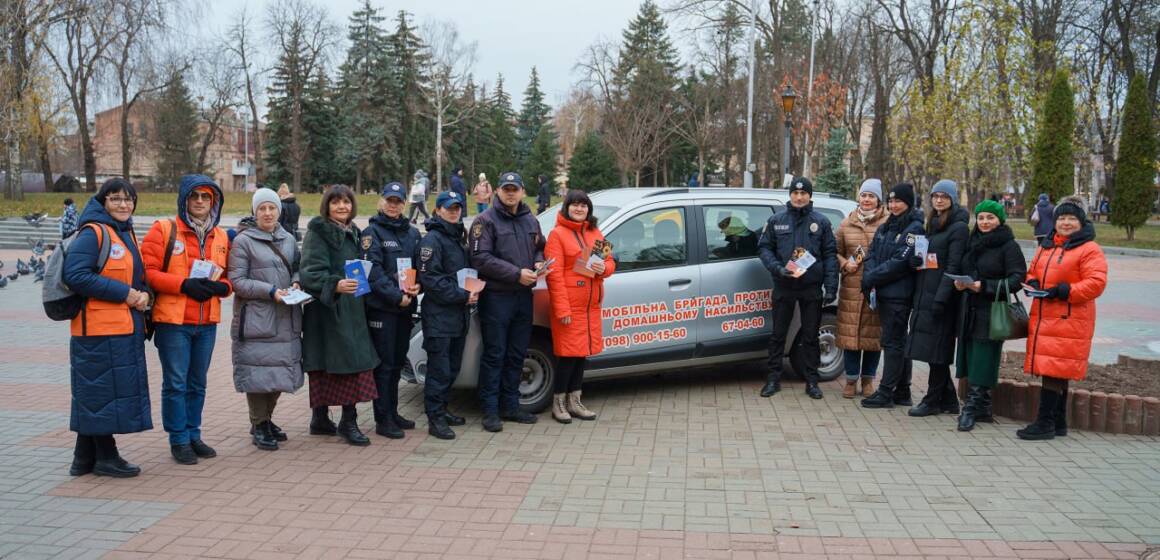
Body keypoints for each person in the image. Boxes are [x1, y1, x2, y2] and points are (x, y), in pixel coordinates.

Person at [62, 178, 152, 478]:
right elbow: (76, 275)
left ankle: (83, 458)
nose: (123, 204)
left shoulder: (123, 232)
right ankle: (106, 457)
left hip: (119, 327)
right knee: (101, 393)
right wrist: (125, 294)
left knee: (99, 394)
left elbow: (133, 274)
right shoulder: (94, 232)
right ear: (103, 202)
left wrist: (143, 293)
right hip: (98, 330)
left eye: (128, 199)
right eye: (115, 199)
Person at [142, 175, 231, 465]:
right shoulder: (164, 230)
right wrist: (183, 285)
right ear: (184, 200)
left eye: (206, 197)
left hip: (207, 322)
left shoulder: (221, 236)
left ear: (214, 202)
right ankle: (178, 438)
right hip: (174, 322)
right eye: (195, 197)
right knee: (176, 382)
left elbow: (229, 277)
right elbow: (148, 272)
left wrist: (223, 288)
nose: (201, 202)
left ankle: (194, 433)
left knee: (198, 383)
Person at [1018, 196, 1107, 440]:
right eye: (1061, 218)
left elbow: (1096, 283)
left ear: (1081, 221)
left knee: (1053, 370)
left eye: (1071, 218)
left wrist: (1065, 290)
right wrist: (1033, 282)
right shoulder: (1048, 245)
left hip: (1070, 317)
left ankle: (1044, 423)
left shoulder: (1089, 249)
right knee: (1056, 369)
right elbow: (1033, 270)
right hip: (1046, 316)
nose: (1066, 223)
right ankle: (1058, 422)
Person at [300, 185, 381, 446]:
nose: (342, 207)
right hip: (328, 310)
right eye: (336, 203)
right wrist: (335, 284)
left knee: (347, 362)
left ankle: (321, 420)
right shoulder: (318, 232)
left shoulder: (353, 232)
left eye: (346, 202)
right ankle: (347, 421)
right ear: (327, 206)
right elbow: (310, 272)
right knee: (340, 364)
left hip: (350, 308)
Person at [228, 189, 304, 450]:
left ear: (279, 211)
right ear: (254, 212)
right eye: (262, 208)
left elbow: (296, 268)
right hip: (258, 319)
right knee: (258, 372)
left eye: (272, 208)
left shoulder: (288, 238)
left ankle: (266, 419)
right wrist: (270, 291)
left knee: (279, 370)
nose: (268, 213)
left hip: (286, 315)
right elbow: (237, 282)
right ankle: (259, 424)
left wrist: (295, 284)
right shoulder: (243, 241)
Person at [471, 172, 545, 431]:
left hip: (523, 297)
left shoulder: (530, 219)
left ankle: (511, 406)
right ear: (497, 191)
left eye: (515, 189)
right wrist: (516, 273)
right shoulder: (485, 221)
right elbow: (481, 259)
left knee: (516, 354)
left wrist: (538, 260)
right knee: (495, 354)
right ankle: (490, 411)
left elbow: (539, 246)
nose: (510, 193)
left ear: (523, 191)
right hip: (497, 297)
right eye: (506, 189)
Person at [756, 176, 838, 399]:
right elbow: (764, 249)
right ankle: (773, 379)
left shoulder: (821, 222)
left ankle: (812, 381)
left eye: (804, 193)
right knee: (778, 334)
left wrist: (831, 286)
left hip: (811, 287)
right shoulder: (776, 221)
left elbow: (830, 255)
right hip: (784, 285)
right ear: (790, 195)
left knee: (811, 335)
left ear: (810, 196)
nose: (799, 197)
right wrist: (777, 269)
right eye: (795, 193)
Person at [953, 199, 1026, 431]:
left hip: (992, 310)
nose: (984, 222)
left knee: (984, 358)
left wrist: (983, 286)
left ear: (1000, 220)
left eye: (990, 218)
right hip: (970, 308)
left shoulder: (1008, 245)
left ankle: (971, 408)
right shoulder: (973, 241)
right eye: (981, 217)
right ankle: (983, 408)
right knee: (972, 356)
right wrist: (961, 284)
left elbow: (1017, 279)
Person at [544, 190, 616, 423]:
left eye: (583, 205)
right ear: (566, 207)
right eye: (574, 205)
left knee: (581, 355)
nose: (579, 209)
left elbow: (609, 261)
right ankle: (559, 404)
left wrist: (603, 269)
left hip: (590, 307)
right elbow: (554, 277)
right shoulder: (557, 235)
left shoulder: (594, 231)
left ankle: (575, 401)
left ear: (588, 209)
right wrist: (562, 309)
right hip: (571, 308)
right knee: (567, 357)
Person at [362, 182, 422, 439]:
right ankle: (382, 419)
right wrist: (396, 297)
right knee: (384, 365)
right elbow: (373, 272)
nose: (393, 205)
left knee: (397, 362)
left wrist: (418, 285)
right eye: (389, 200)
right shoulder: (371, 233)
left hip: (405, 308)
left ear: (404, 204)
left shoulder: (412, 233)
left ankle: (393, 412)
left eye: (398, 201)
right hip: (383, 309)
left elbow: (419, 265)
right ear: (381, 201)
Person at [904, 179, 969, 416]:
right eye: (935, 196)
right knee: (933, 351)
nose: (939, 200)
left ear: (952, 199)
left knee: (937, 351)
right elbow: (929, 258)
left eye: (944, 196)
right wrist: (915, 262)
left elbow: (953, 265)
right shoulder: (933, 223)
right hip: (925, 292)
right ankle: (949, 400)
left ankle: (932, 400)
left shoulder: (958, 228)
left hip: (941, 298)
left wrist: (941, 298)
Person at [860, 183, 925, 408]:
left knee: (893, 343)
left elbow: (900, 262)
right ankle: (902, 391)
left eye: (898, 201)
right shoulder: (886, 226)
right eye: (891, 201)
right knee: (898, 341)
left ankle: (886, 392)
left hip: (899, 294)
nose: (894, 205)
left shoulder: (914, 228)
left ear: (908, 203)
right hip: (884, 292)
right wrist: (869, 275)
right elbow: (872, 254)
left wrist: (872, 278)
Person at [418, 191, 475, 439]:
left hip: (458, 316)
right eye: (448, 207)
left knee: (451, 369)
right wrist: (462, 294)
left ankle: (443, 409)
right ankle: (435, 419)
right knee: (439, 371)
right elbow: (431, 280)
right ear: (438, 210)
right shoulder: (432, 240)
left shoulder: (457, 237)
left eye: (457, 207)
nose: (454, 211)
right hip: (440, 317)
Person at [835, 179, 888, 398]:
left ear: (878, 200)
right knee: (850, 336)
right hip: (852, 288)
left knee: (872, 337)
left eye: (871, 196)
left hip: (876, 288)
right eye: (864, 195)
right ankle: (850, 380)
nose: (866, 200)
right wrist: (844, 263)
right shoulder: (847, 224)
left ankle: (868, 380)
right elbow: (834, 252)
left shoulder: (888, 223)